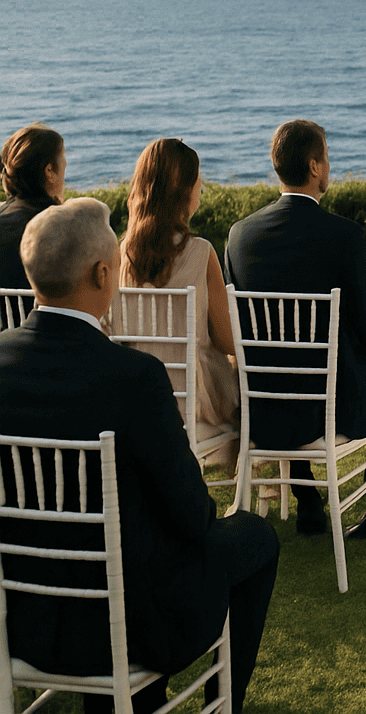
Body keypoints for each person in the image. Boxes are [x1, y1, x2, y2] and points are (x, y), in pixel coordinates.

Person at [0, 198, 278, 714]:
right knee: (254, 537)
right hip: (127, 627)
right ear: (104, 273)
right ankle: (223, 705)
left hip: (23, 622)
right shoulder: (135, 378)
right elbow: (194, 515)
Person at [224, 120, 366, 538]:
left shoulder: (239, 236)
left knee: (289, 369)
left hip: (263, 410)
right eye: (327, 156)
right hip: (332, 409)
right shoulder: (344, 236)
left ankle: (310, 502)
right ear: (314, 166)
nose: (329, 165)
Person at [117, 138, 239, 465]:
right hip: (193, 404)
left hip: (137, 402)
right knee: (244, 377)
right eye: (197, 181)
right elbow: (228, 340)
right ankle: (259, 483)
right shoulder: (200, 252)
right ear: (185, 191)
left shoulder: (119, 256)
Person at [0, 122, 65, 295]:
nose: (65, 163)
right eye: (63, 156)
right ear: (50, 171)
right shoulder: (63, 225)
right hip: (44, 320)